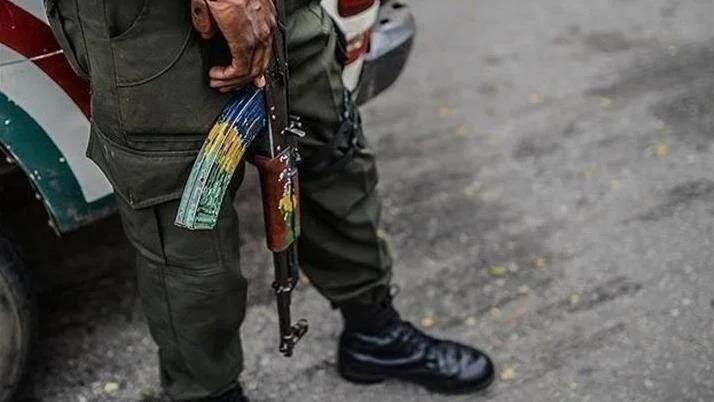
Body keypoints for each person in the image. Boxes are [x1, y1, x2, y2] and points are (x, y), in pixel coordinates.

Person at [44, 0, 495, 400]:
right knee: (185, 229)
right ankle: (208, 393)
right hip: (145, 22)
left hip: (278, 9)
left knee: (331, 154)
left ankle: (373, 331)